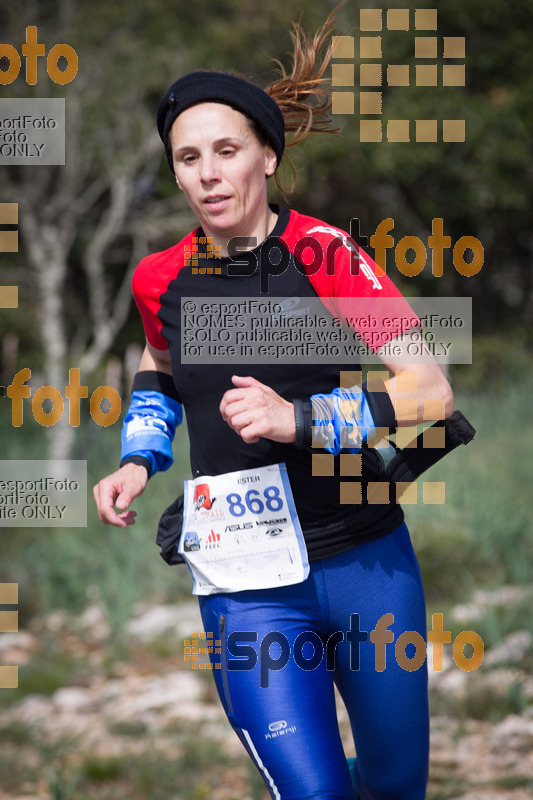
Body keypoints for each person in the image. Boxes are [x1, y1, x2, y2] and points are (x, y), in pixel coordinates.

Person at [93, 13, 457, 800]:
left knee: (394, 789)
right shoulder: (160, 278)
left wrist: (301, 421)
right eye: (188, 159)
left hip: (365, 562)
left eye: (225, 151)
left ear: (265, 153)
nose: (207, 174)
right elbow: (160, 366)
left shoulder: (325, 253)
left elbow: (428, 389)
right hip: (245, 581)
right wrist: (137, 457)